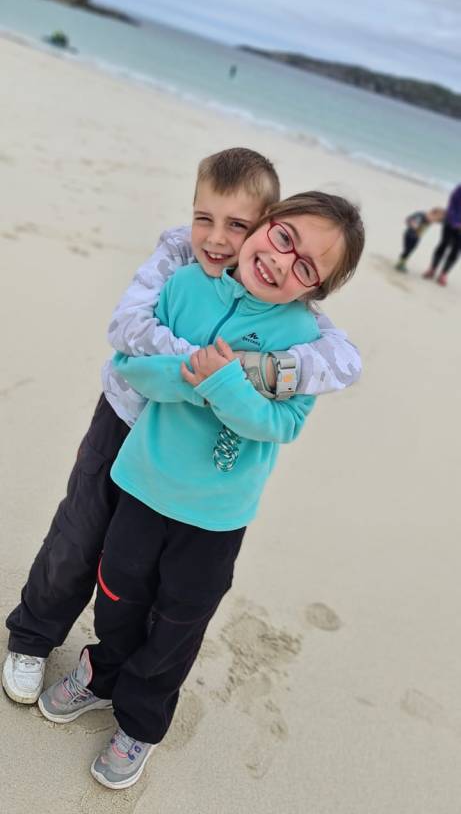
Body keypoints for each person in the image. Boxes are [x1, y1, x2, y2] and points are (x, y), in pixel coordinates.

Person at [3, 148, 362, 706]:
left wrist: (253, 369)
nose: (217, 239)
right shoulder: (179, 256)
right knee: (80, 534)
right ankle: (33, 636)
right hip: (124, 418)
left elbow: (343, 359)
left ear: (262, 222)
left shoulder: (280, 290)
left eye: (238, 226)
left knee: (138, 570)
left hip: (180, 453)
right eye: (205, 219)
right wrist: (203, 369)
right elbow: (126, 328)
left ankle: (118, 671)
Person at [423, 183, 461, 286]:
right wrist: (456, 223)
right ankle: (432, 269)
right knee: (444, 243)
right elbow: (452, 205)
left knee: (456, 249)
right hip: (450, 221)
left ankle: (443, 274)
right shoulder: (459, 189)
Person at [395, 207, 444, 272]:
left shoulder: (430, 220)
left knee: (411, 250)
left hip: (417, 237)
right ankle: (400, 263)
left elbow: (443, 221)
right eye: (434, 219)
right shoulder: (420, 215)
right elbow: (408, 219)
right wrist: (411, 223)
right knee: (407, 249)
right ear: (431, 213)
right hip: (409, 235)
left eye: (435, 221)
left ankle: (403, 262)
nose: (433, 222)